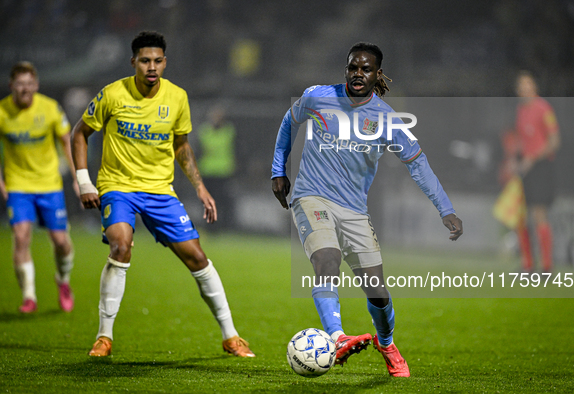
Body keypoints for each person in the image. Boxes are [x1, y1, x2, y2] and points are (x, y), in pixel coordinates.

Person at [271, 43, 463, 377]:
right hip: (311, 196)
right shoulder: (318, 97)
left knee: (377, 289)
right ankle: (337, 337)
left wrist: (445, 209)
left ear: (377, 74)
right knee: (326, 259)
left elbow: (418, 165)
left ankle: (386, 343)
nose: (358, 75)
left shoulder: (387, 119)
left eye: (365, 70)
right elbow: (289, 122)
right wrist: (278, 170)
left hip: (354, 210)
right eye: (352, 68)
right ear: (345, 69)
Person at [71, 31, 254, 358]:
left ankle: (231, 336)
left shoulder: (177, 98)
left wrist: (199, 185)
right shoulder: (113, 94)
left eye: (157, 61)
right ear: (134, 63)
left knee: (197, 257)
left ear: (164, 62)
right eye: (145, 61)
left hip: (159, 191)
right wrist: (84, 182)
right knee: (121, 244)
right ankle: (104, 337)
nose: (151, 67)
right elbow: (79, 134)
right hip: (119, 186)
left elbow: (181, 144)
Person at [0, 61, 76, 314]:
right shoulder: (2, 112)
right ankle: (29, 295)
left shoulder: (50, 108)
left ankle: (63, 282)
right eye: (19, 84)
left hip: (49, 184)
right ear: (11, 85)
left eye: (29, 84)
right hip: (18, 184)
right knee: (21, 237)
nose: (25, 89)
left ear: (36, 85)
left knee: (61, 242)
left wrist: (78, 178)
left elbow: (67, 141)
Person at [513, 71, 560, 272]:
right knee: (521, 216)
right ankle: (528, 265)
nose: (525, 88)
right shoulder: (521, 111)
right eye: (521, 85)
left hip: (540, 167)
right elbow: (522, 141)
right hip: (525, 167)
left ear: (534, 87)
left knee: (539, 214)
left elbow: (554, 141)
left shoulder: (544, 108)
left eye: (528, 84)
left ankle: (547, 267)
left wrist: (532, 157)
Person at [196, 106, 236, 230]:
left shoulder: (229, 131)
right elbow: (198, 150)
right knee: (207, 201)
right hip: (207, 171)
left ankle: (220, 226)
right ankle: (208, 226)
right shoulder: (204, 131)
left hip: (224, 171)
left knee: (221, 201)